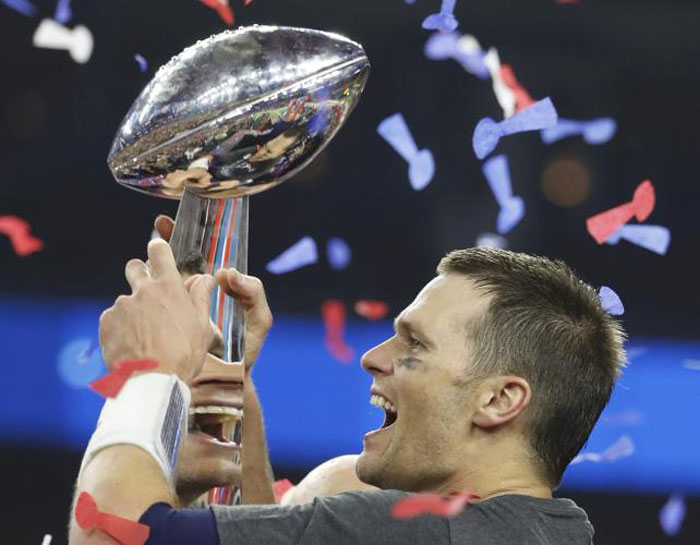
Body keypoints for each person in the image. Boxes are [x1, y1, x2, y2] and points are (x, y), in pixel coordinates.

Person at [69, 240, 624, 544]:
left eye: (414, 345)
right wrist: (232, 379)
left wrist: (147, 369)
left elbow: (114, 537)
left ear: (499, 400)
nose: (371, 357)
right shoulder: (547, 533)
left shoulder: (413, 532)